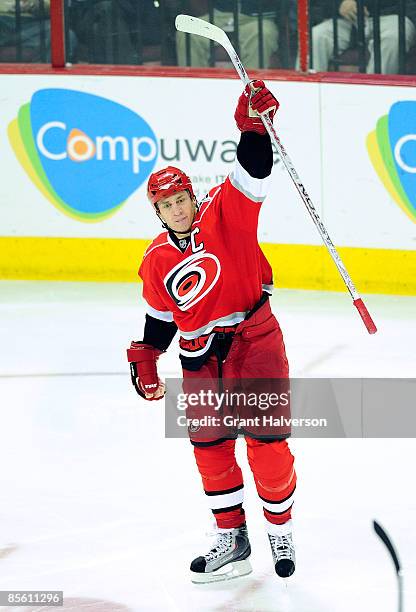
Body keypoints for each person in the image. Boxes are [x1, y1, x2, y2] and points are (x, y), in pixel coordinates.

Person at [127, 80, 296, 583]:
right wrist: (146, 354)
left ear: (192, 196)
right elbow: (160, 319)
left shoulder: (226, 214)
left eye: (182, 198)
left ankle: (280, 530)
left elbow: (254, 170)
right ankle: (232, 539)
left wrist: (252, 127)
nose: (178, 208)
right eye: (168, 204)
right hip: (201, 358)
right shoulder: (156, 259)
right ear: (157, 212)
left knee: (268, 444)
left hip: (255, 341)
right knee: (210, 449)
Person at [311, 0, 416, 73]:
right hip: (348, 19)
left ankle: (376, 94)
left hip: (394, 16)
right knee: (316, 36)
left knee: (393, 38)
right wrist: (340, 3)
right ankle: (308, 97)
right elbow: (317, 4)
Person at [176, 0, 279, 69]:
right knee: (187, 33)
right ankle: (195, 89)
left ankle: (251, 91)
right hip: (218, 15)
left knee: (264, 32)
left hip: (255, 19)